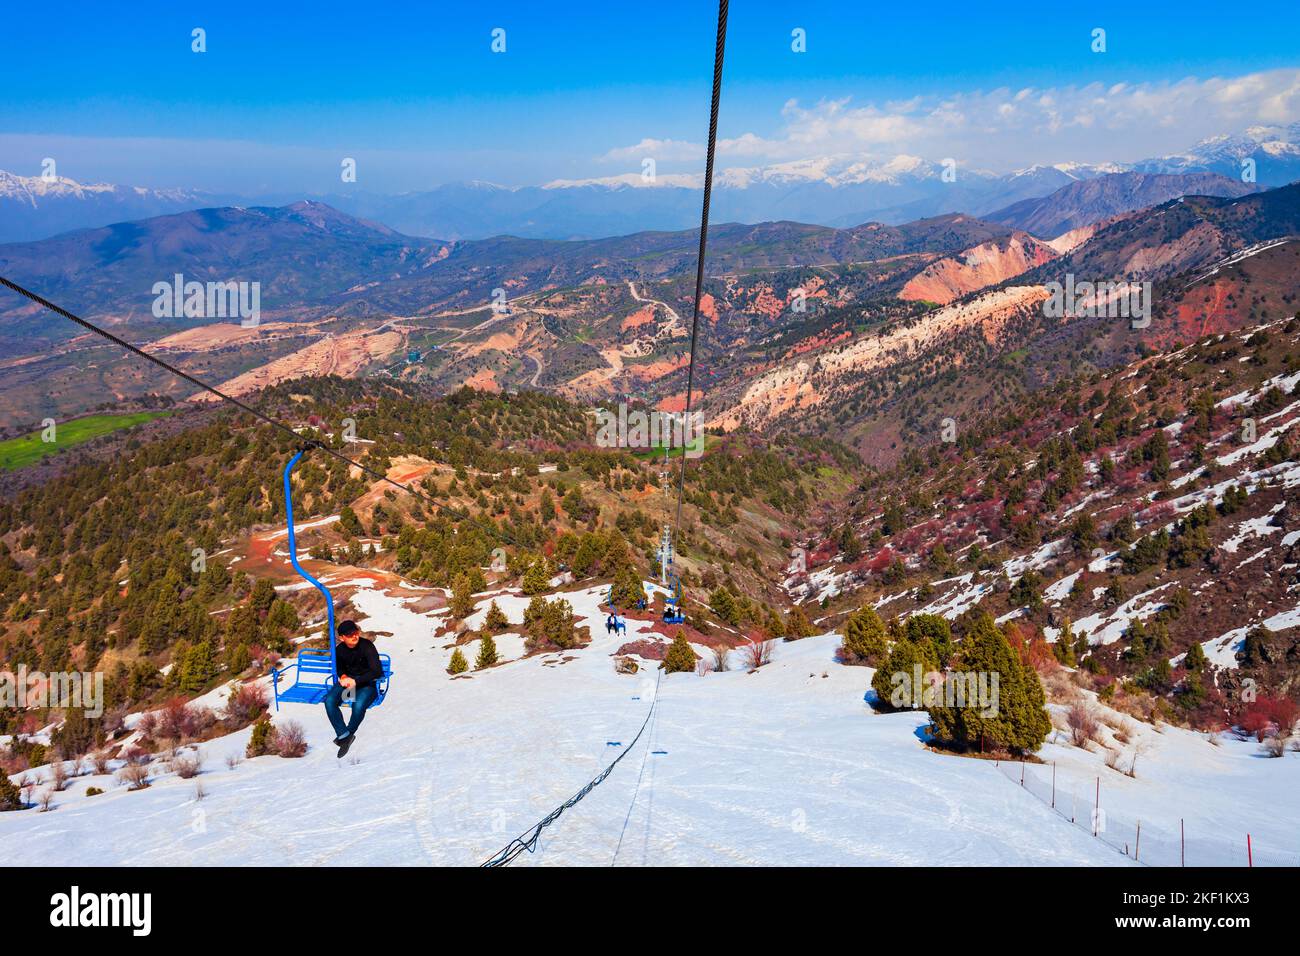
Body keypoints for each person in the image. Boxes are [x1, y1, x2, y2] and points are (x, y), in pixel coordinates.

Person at [323, 619, 384, 758]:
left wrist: (356, 680)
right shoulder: (340, 650)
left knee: (358, 705)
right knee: (330, 701)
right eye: (349, 635)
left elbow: (376, 671)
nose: (354, 636)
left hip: (367, 684)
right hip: (349, 685)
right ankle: (344, 735)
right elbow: (339, 667)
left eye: (355, 632)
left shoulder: (367, 646)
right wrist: (343, 676)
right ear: (342, 638)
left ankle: (348, 734)